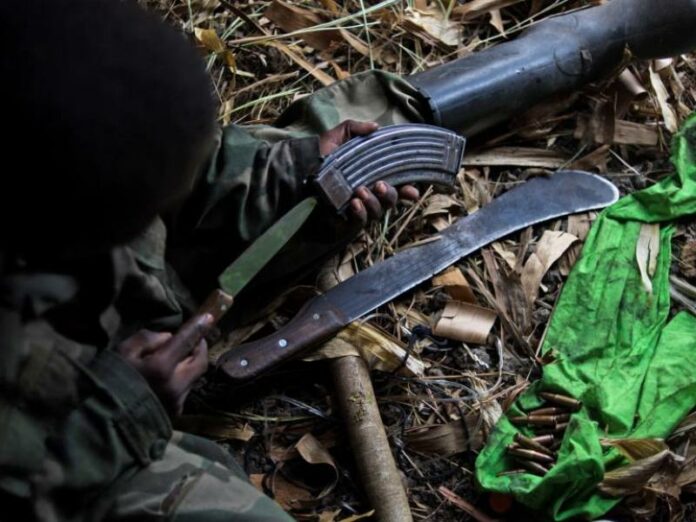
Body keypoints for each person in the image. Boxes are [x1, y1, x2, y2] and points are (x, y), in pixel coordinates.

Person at [0, 0, 423, 520]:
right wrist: (121, 408)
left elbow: (182, 167)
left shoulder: (49, 93)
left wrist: (300, 171)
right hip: (55, 452)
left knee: (395, 117)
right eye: (140, 213)